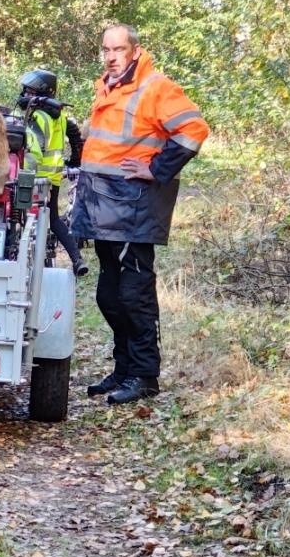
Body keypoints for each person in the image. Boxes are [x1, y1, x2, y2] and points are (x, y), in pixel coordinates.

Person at [72, 24, 209, 404]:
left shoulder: (155, 86)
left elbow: (194, 129)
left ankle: (145, 375)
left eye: (118, 49)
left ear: (135, 50)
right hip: (103, 206)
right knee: (109, 296)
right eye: (106, 49)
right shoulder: (108, 86)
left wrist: (157, 168)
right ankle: (124, 369)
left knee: (134, 295)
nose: (111, 56)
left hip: (132, 207)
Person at [17, 69, 88, 278]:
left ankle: (23, 265)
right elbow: (75, 137)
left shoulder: (37, 116)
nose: (25, 95)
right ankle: (77, 259)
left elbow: (35, 149)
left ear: (42, 94)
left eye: (30, 92)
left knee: (21, 218)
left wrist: (21, 173)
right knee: (54, 219)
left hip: (35, 177)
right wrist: (75, 160)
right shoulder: (59, 116)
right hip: (53, 178)